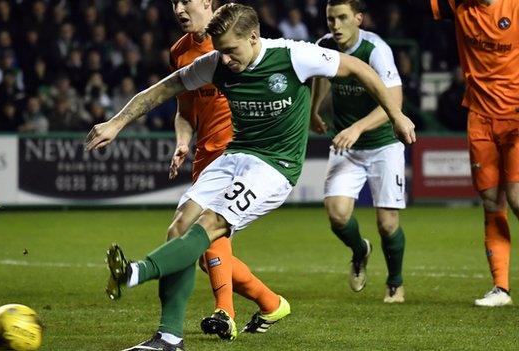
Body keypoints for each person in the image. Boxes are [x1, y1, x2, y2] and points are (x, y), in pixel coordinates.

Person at [86, 4, 415, 350]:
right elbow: (162, 90)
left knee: (211, 225)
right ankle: (169, 338)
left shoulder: (294, 56)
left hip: (275, 167)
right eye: (220, 51)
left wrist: (396, 116)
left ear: (254, 37)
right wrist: (115, 123)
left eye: (231, 51)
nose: (225, 60)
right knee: (179, 227)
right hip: (235, 156)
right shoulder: (215, 62)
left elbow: (359, 68)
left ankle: (136, 272)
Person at [167, 0, 289, 341]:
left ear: (207, 2)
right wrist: (182, 140)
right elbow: (184, 110)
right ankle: (271, 303)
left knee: (209, 235)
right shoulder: (179, 51)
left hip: (240, 151)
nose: (178, 8)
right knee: (204, 256)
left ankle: (225, 313)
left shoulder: (238, 41)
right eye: (173, 2)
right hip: (206, 157)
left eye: (185, 0)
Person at [411, 0, 519, 307]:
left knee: (517, 198)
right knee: (490, 200)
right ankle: (501, 288)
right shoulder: (458, 5)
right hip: (480, 117)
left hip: (516, 114)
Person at [310, 0, 407, 303]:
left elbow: (395, 102)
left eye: (342, 18)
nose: (335, 26)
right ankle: (360, 251)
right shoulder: (324, 44)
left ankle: (395, 281)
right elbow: (323, 76)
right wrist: (314, 110)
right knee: (337, 216)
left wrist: (357, 128)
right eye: (330, 19)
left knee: (387, 222)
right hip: (346, 145)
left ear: (359, 19)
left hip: (383, 144)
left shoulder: (375, 50)